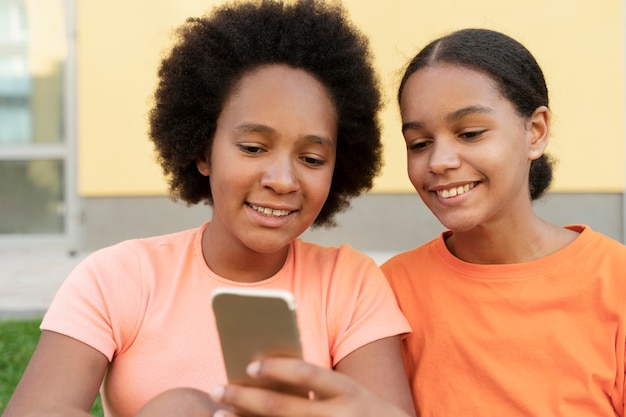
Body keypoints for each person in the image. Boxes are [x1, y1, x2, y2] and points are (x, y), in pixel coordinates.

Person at [1, 1, 416, 417]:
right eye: (253, 148)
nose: (283, 180)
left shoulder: (350, 285)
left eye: (311, 159)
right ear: (203, 152)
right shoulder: (118, 279)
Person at [206, 28, 626, 417]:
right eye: (419, 143)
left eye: (470, 133)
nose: (440, 162)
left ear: (535, 132)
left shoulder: (615, 282)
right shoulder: (387, 291)